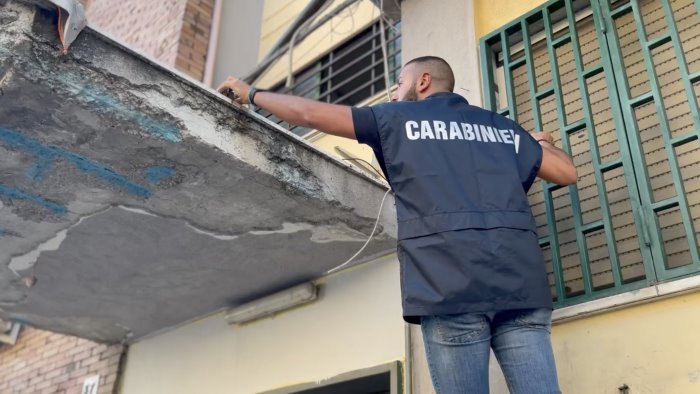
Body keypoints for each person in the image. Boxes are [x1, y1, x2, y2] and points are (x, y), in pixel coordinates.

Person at [218, 56, 576, 394]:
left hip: (449, 288)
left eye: (400, 81)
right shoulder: (504, 129)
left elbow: (310, 113)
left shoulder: (395, 118)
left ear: (423, 81)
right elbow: (566, 172)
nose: (394, 90)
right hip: (521, 287)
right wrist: (541, 142)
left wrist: (251, 94)